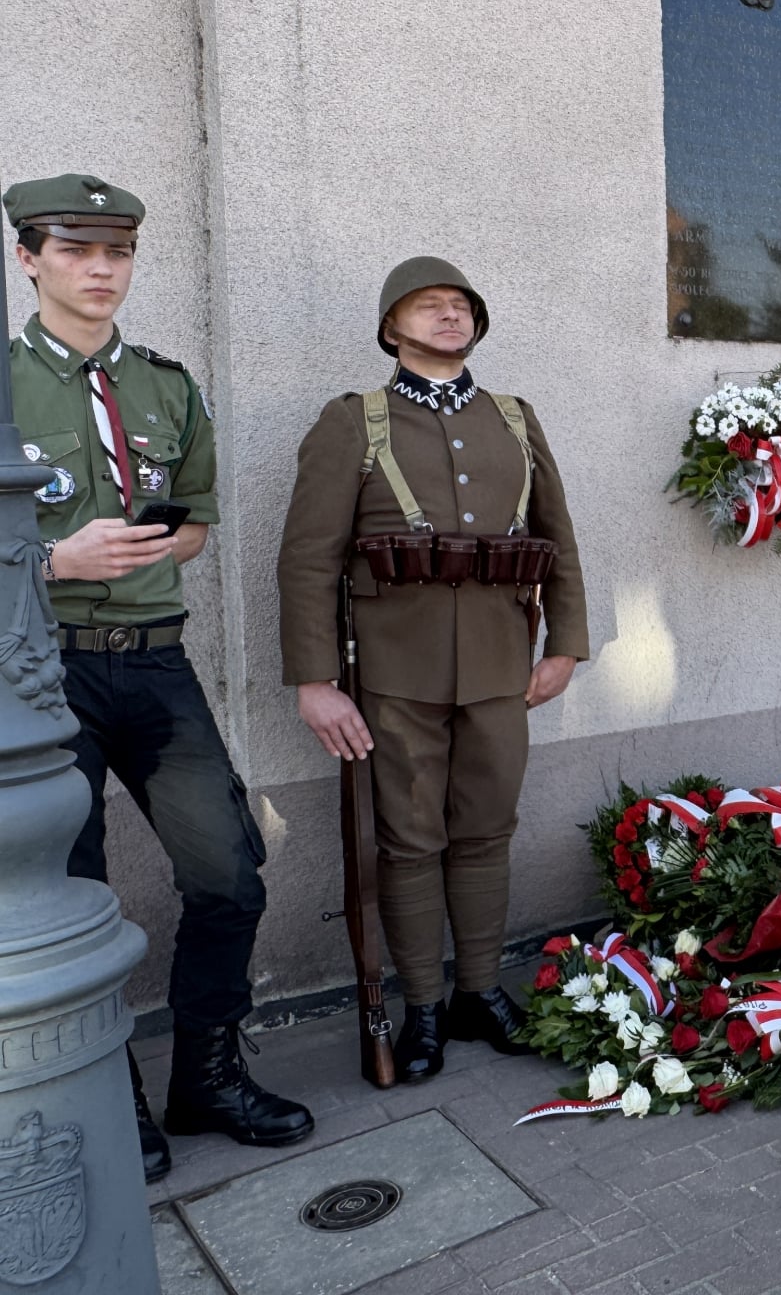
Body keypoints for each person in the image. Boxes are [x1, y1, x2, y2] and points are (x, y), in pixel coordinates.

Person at [2, 173, 312, 1180]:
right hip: (42, 675)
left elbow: (195, 524)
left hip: (157, 664)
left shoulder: (166, 387)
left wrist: (152, 544)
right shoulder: (5, 383)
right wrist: (57, 560)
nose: (101, 270)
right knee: (72, 894)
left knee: (228, 873)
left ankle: (207, 1079)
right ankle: (110, 1097)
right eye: (76, 250)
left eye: (119, 252)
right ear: (28, 257)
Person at [277, 257, 588, 1084]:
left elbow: (557, 538)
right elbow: (308, 559)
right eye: (427, 306)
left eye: (460, 305)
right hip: (394, 670)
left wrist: (565, 644)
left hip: (499, 664)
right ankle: (421, 1007)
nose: (449, 315)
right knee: (410, 842)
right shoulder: (354, 422)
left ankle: (478, 992)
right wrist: (315, 680)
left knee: (487, 831)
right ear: (391, 328)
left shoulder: (515, 419)